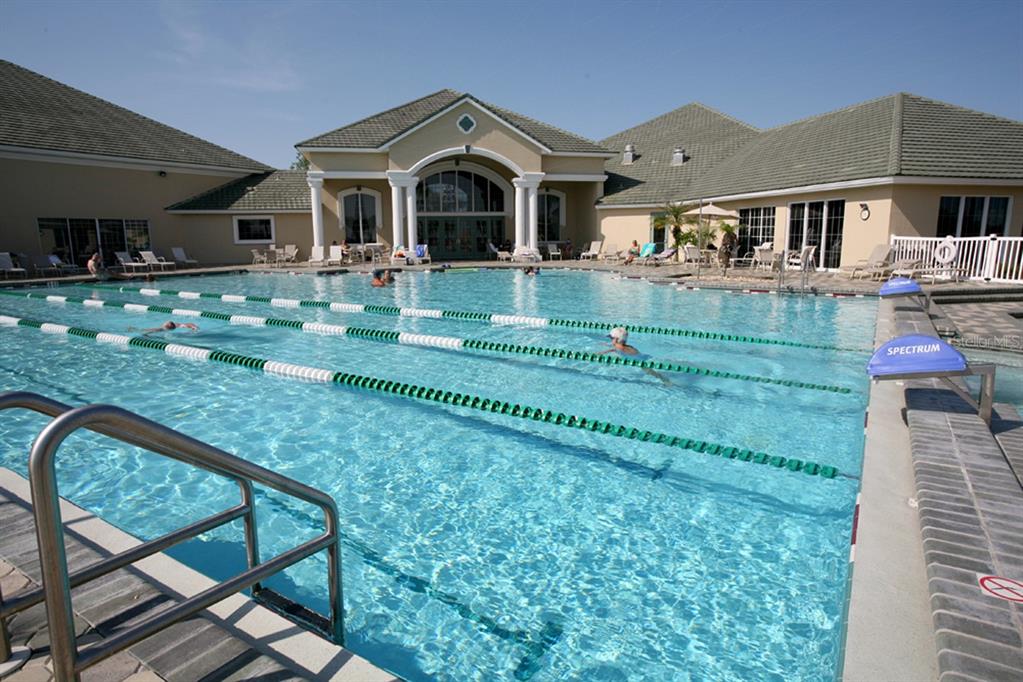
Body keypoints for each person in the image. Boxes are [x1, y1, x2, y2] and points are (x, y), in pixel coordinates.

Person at [597, 327, 670, 384]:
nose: (610, 340)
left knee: (651, 373)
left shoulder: (618, 347)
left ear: (615, 339)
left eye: (611, 338)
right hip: (643, 357)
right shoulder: (627, 346)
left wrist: (602, 353)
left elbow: (615, 349)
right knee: (654, 372)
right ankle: (665, 379)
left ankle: (666, 380)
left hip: (639, 361)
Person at [134, 321, 199, 334]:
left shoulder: (163, 329)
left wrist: (146, 333)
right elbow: (190, 324)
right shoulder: (178, 325)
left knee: (157, 329)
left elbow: (155, 330)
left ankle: (137, 329)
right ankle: (138, 329)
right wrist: (194, 327)